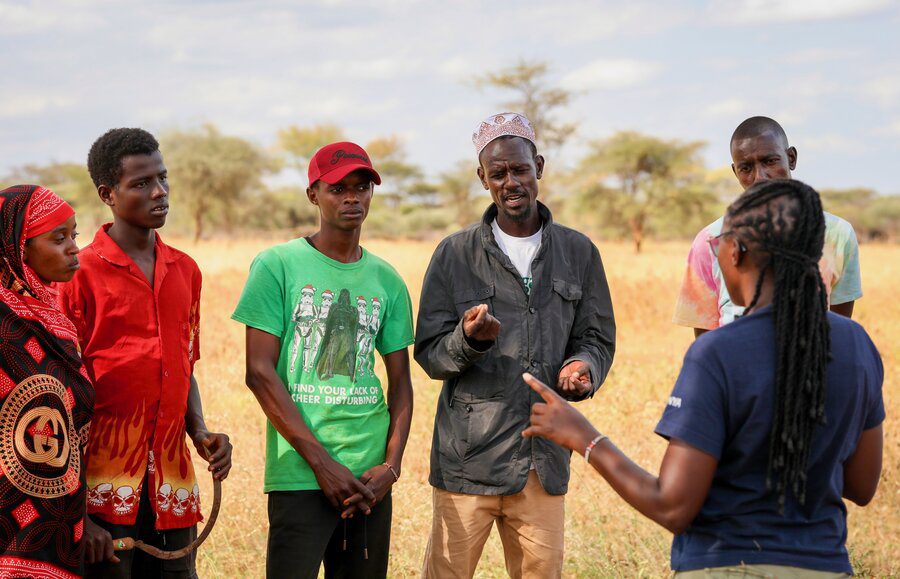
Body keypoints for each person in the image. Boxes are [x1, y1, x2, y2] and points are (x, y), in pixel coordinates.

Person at [525, 179, 884, 578]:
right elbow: (862, 485)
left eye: (719, 247)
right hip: (826, 566)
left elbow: (673, 507)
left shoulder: (718, 352)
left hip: (726, 566)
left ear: (736, 252)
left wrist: (584, 437)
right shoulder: (857, 345)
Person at [414, 113, 616, 579]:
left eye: (520, 169)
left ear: (538, 167)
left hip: (542, 461)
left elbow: (597, 338)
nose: (511, 182)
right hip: (468, 461)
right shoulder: (454, 254)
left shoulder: (579, 252)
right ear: (482, 177)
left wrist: (583, 367)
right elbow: (430, 354)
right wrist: (468, 341)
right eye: (498, 172)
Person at [232, 141, 415, 578]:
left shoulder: (387, 279)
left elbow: (401, 385)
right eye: (337, 189)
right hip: (301, 470)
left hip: (369, 478)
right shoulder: (277, 265)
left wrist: (390, 467)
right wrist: (322, 464)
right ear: (313, 194)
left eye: (361, 187)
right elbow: (258, 372)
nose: (352, 198)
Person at [58, 128, 232, 578]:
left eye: (162, 178)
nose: (159, 192)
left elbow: (182, 367)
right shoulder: (79, 275)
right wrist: (77, 510)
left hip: (172, 487)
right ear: (107, 194)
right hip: (99, 490)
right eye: (141, 183)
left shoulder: (186, 271)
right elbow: (59, 394)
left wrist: (199, 430)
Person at [673, 116, 861, 336]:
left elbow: (837, 333)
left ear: (791, 158)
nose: (759, 177)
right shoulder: (711, 241)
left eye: (770, 161)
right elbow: (706, 342)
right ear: (735, 172)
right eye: (746, 168)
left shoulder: (837, 234)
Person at [0, 184, 92, 579]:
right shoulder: (4, 323)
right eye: (59, 238)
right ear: (18, 248)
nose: (74, 248)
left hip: (57, 525)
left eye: (74, 234)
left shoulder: (54, 321)